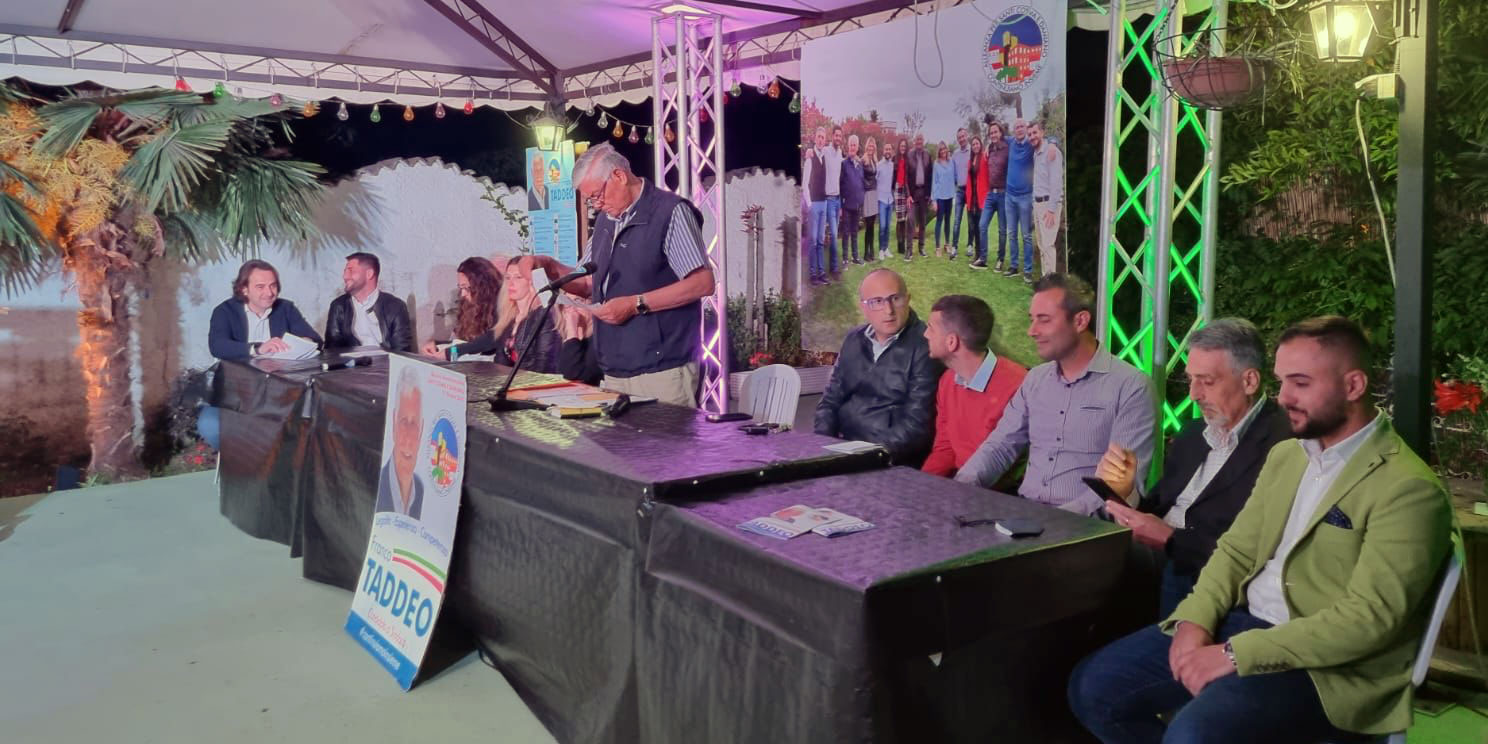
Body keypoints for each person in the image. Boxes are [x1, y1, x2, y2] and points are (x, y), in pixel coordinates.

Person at [1068, 316, 1453, 744]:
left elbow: (1368, 620)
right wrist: (1193, 622)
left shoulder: (1409, 488)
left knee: (1193, 735)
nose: (1284, 397)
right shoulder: (1288, 456)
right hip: (1242, 623)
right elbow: (1235, 552)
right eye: (1282, 381)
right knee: (1092, 689)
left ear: (1354, 385)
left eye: (1300, 383)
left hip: (1327, 667)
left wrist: (1235, 654)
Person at [1095, 318, 1294, 616]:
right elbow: (1157, 510)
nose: (1193, 394)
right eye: (1191, 380)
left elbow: (1260, 547)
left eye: (1207, 381)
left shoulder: (1287, 442)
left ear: (1249, 381)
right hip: (1153, 560)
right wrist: (1127, 494)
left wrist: (1172, 540)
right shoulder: (1192, 434)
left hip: (1207, 579)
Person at [954, 273, 1156, 515]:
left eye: (1044, 320)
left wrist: (1055, 521)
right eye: (1032, 320)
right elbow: (1000, 446)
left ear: (1080, 321)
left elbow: (1119, 487)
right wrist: (956, 490)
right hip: (1026, 513)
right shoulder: (1035, 379)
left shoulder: (1131, 386)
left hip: (1087, 526)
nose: (1032, 331)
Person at [536, 142, 715, 407]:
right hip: (614, 369)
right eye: (590, 200)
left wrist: (636, 304)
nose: (597, 205)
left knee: (664, 436)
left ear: (619, 176)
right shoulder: (605, 222)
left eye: (597, 196)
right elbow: (588, 281)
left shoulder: (670, 212)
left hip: (662, 369)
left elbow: (702, 283)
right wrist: (549, 267)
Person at [814, 269, 942, 466]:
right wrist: (822, 446)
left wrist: (867, 455)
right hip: (843, 449)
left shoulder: (925, 346)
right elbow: (830, 402)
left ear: (907, 299)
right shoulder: (853, 339)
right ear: (863, 307)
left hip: (890, 459)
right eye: (877, 302)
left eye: (895, 299)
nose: (888, 310)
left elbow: (916, 426)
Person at [921, 294, 1028, 478]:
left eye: (931, 328)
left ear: (951, 342)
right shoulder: (948, 381)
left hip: (996, 491)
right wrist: (921, 484)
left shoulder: (1018, 386)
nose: (925, 334)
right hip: (962, 484)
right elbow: (945, 448)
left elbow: (1006, 464)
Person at [446, 256, 561, 373]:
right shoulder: (509, 316)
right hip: (512, 380)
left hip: (534, 382)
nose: (511, 283)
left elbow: (544, 367)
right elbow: (500, 361)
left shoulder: (546, 315)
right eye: (508, 277)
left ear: (533, 281)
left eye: (518, 277)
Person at [208, 259, 323, 361]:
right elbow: (217, 346)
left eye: (273, 286)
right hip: (239, 375)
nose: (269, 293)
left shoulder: (286, 308)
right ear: (244, 289)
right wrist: (258, 349)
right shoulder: (225, 311)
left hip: (278, 375)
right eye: (260, 287)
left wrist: (303, 343)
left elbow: (315, 340)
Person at [323, 252, 414, 352]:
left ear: (369, 274)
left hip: (387, 361)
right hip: (351, 361)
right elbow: (331, 349)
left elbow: (402, 350)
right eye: (345, 271)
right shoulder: (338, 306)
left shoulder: (396, 307)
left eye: (351, 271)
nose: (345, 276)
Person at [421, 256, 504, 360]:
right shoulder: (468, 306)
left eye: (466, 288)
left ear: (482, 286)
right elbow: (465, 343)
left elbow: (488, 341)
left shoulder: (501, 305)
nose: (463, 294)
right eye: (460, 288)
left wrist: (451, 352)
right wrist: (437, 345)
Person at [375, 365, 427, 520]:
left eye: (414, 424)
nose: (408, 437)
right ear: (393, 424)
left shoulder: (420, 489)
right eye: (404, 422)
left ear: (422, 431)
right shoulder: (376, 486)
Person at [973, 120, 1010, 271]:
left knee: (1002, 230)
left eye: (995, 132)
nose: (993, 134)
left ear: (1000, 133)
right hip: (990, 194)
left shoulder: (1007, 148)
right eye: (991, 133)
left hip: (1003, 195)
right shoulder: (990, 149)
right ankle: (983, 258)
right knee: (982, 225)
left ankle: (1000, 259)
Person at [1003, 119, 1036, 282]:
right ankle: (1014, 266)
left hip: (1025, 197)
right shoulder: (1010, 142)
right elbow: (996, 138)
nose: (1019, 129)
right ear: (1014, 130)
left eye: (1022, 126)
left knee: (1026, 235)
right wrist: (987, 147)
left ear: (1026, 128)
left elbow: (1049, 139)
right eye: (1016, 127)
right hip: (1009, 196)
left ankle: (1028, 270)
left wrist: (1052, 144)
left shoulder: (1031, 143)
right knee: (1012, 234)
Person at [1030, 121, 1064, 276]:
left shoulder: (1052, 152)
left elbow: (1056, 183)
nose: (1032, 136)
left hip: (1049, 205)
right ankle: (1046, 280)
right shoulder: (1036, 154)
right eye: (1030, 134)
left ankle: (1050, 284)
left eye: (1035, 133)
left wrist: (1051, 210)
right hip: (1038, 204)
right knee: (1042, 246)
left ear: (1042, 133)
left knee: (1048, 246)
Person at [556, 302, 603, 385]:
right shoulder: (561, 337)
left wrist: (572, 332)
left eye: (577, 301)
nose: (572, 311)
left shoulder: (600, 338)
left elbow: (572, 375)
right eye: (567, 304)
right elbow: (561, 374)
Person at [903, 134, 932, 259]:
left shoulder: (927, 155)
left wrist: (929, 194)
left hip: (923, 193)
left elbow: (930, 175)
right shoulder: (909, 155)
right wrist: (908, 194)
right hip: (913, 194)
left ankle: (921, 247)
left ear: (923, 141)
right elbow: (905, 177)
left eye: (921, 139)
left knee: (923, 221)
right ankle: (909, 250)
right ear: (914, 141)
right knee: (910, 220)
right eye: (917, 140)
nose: (919, 142)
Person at [839, 134, 866, 266]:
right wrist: (841, 203)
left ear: (857, 147)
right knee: (846, 232)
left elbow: (861, 182)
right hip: (846, 204)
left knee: (855, 231)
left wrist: (861, 199)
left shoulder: (860, 164)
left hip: (857, 204)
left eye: (854, 145)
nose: (852, 147)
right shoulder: (844, 164)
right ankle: (845, 258)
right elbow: (840, 184)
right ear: (848, 146)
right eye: (851, 145)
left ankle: (855, 257)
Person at [931, 142, 956, 258]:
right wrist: (934, 200)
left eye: (944, 149)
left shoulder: (951, 162)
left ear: (947, 149)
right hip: (940, 197)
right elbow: (934, 182)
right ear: (939, 151)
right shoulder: (936, 164)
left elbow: (954, 177)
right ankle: (938, 247)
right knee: (939, 221)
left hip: (949, 196)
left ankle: (947, 244)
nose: (943, 151)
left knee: (948, 220)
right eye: (941, 150)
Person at [950, 128, 972, 260]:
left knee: (970, 220)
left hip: (970, 190)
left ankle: (970, 245)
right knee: (957, 220)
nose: (962, 139)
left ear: (967, 136)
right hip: (959, 190)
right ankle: (954, 247)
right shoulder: (955, 154)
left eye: (963, 136)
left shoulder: (973, 151)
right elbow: (953, 173)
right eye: (959, 137)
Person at [876, 141, 898, 261]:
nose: (888, 151)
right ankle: (881, 250)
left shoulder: (892, 165)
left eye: (889, 149)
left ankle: (886, 248)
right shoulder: (878, 165)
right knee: (882, 226)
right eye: (886, 149)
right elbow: (875, 182)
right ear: (883, 151)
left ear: (892, 151)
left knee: (888, 227)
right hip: (881, 200)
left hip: (890, 200)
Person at [862, 138, 880, 259]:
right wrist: (867, 186)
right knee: (868, 224)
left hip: (874, 193)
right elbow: (861, 177)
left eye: (872, 146)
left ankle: (872, 250)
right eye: (869, 146)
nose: (871, 148)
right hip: (867, 194)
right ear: (866, 147)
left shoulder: (874, 160)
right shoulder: (863, 160)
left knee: (872, 224)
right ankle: (865, 253)